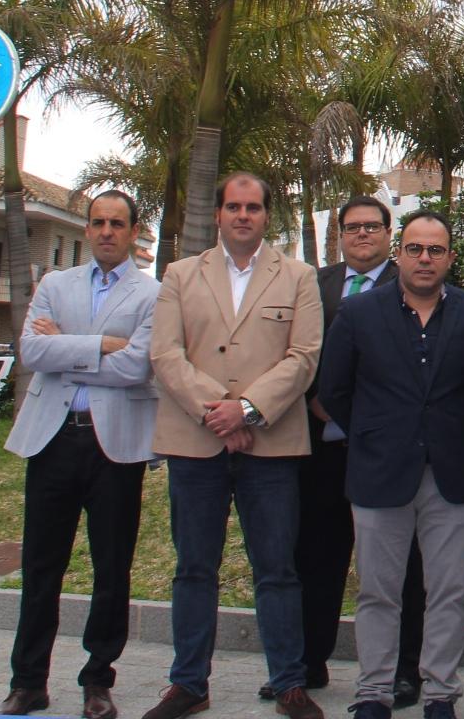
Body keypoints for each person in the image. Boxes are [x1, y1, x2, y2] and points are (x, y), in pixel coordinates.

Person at [143, 172, 324, 719]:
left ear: (268, 215)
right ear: (218, 214)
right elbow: (165, 354)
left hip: (270, 447)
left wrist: (246, 410)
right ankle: (188, 684)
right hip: (195, 442)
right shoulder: (180, 275)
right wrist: (219, 412)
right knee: (194, 568)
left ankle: (289, 683)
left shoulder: (298, 277)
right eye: (234, 207)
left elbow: (304, 357)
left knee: (277, 569)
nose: (243, 215)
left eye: (253, 207)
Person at [318, 209, 464, 719]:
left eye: (435, 250)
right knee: (378, 592)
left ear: (450, 258)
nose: (424, 258)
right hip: (379, 471)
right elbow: (334, 389)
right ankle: (373, 692)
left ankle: (440, 693)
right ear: (399, 254)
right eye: (415, 248)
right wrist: (375, 434)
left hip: (452, 474)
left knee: (449, 593)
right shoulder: (359, 313)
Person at [0, 190, 160, 719]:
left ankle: (98, 682)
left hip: (115, 447)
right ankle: (28, 682)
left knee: (112, 569)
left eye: (117, 223)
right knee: (40, 567)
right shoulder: (54, 284)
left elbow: (137, 367)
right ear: (87, 229)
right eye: (98, 222)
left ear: (133, 231)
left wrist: (67, 343)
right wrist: (103, 344)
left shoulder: (153, 294)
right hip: (53, 440)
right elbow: (32, 351)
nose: (107, 231)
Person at [267, 195, 419, 705]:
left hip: (388, 450)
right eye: (352, 227)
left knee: (401, 567)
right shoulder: (313, 284)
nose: (362, 235)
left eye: (372, 226)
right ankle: (306, 665)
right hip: (321, 449)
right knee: (315, 558)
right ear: (340, 234)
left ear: (388, 234)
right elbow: (292, 351)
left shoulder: (411, 283)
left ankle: (404, 670)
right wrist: (318, 400)